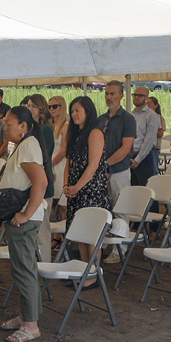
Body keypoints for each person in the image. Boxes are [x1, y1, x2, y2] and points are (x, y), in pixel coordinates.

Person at [0, 107, 52, 342]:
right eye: (5, 123)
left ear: (24, 126)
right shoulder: (23, 145)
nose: (5, 127)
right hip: (20, 215)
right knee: (21, 267)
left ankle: (31, 325)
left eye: (10, 123)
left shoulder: (28, 145)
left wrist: (26, 214)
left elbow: (41, 182)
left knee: (25, 268)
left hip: (25, 218)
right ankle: (26, 316)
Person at [63, 96, 110, 267]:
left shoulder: (95, 133)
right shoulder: (75, 134)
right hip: (76, 190)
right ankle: (85, 269)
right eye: (72, 111)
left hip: (91, 191)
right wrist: (66, 185)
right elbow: (69, 162)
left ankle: (93, 273)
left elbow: (93, 166)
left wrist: (76, 187)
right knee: (80, 234)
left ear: (87, 112)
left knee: (91, 235)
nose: (74, 114)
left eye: (77, 111)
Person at [25, 93, 57, 263]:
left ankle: (44, 264)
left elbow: (40, 156)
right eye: (28, 106)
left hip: (43, 183)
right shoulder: (32, 128)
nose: (30, 109)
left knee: (42, 228)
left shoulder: (44, 129)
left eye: (33, 106)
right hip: (33, 182)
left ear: (41, 109)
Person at [97, 81, 136, 202]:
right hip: (101, 171)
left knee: (121, 209)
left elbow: (126, 148)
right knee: (102, 208)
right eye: (107, 94)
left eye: (112, 94)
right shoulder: (101, 119)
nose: (109, 97)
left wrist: (106, 164)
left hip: (119, 171)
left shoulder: (128, 119)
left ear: (121, 95)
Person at [129, 86, 162, 186]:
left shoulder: (151, 115)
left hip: (144, 158)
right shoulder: (130, 115)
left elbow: (149, 140)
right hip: (130, 156)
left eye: (140, 95)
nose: (136, 97)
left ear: (146, 98)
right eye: (135, 95)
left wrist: (138, 160)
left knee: (146, 191)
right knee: (132, 191)